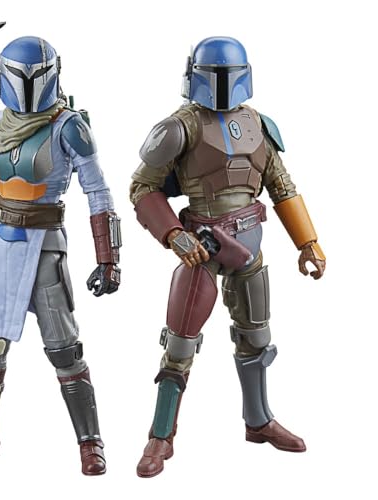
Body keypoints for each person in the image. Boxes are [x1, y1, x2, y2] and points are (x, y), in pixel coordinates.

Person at [0, 26, 121, 476]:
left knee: (64, 349)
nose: (29, 87)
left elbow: (98, 192)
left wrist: (108, 259)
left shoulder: (69, 127)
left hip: (44, 246)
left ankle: (90, 441)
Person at [130, 36, 325, 478]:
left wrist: (307, 242)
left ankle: (258, 421)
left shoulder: (258, 124)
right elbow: (142, 187)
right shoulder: (180, 127)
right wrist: (174, 235)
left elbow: (282, 187)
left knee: (256, 338)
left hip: (249, 248)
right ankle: (161, 435)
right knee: (179, 345)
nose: (220, 84)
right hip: (202, 248)